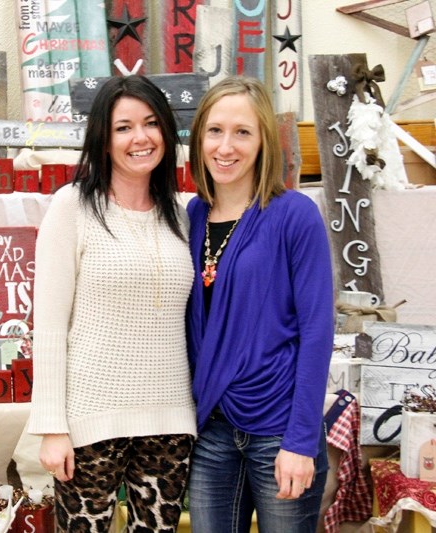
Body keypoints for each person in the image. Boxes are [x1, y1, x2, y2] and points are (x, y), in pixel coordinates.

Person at [27, 75, 197, 533]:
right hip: (89, 421)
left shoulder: (179, 213)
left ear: (165, 130)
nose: (139, 138)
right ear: (103, 138)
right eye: (123, 127)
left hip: (170, 418)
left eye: (150, 124)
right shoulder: (72, 206)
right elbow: (49, 325)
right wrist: (52, 427)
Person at [185, 75, 334, 532]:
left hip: (279, 429)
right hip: (210, 431)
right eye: (215, 131)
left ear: (263, 141)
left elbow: (317, 331)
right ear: (198, 139)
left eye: (242, 132)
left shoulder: (294, 214)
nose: (225, 146)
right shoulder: (190, 215)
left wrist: (302, 440)